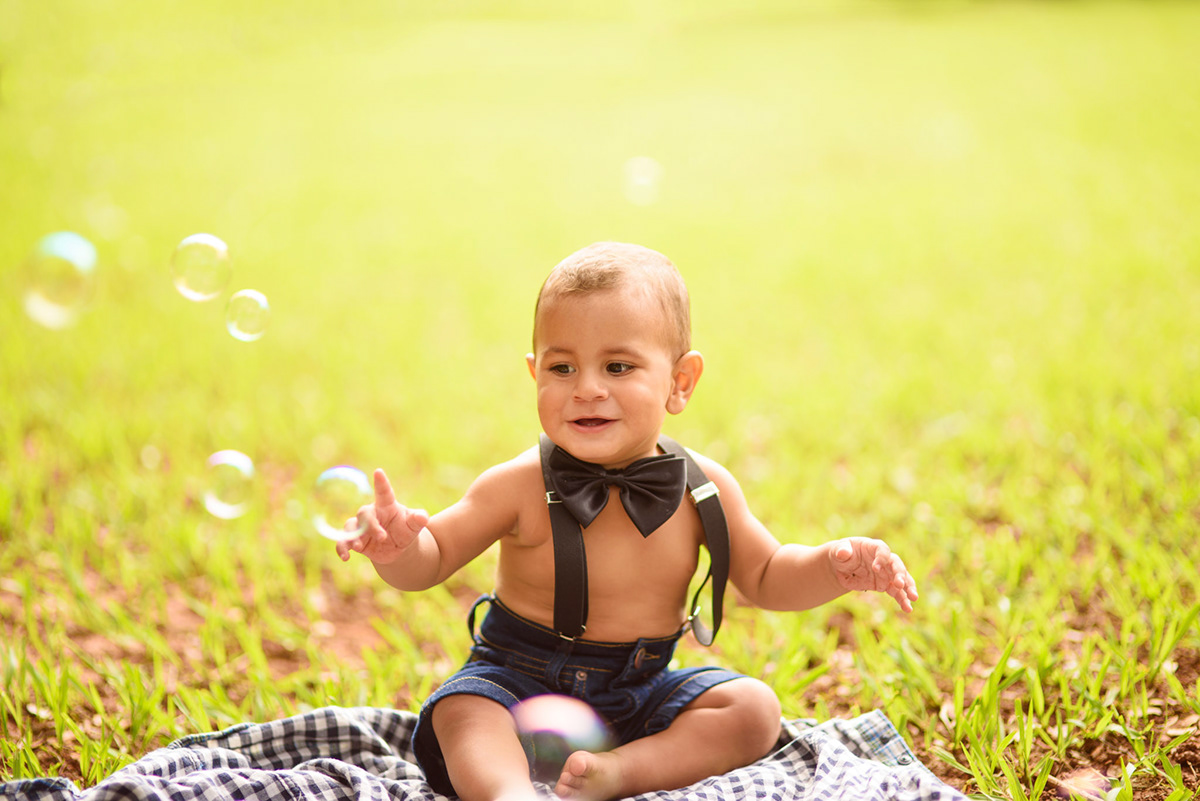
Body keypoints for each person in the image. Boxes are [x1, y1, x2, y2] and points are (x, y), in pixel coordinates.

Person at [336, 241, 920, 801]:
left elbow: (767, 574)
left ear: (680, 382)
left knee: (753, 709)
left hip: (640, 692)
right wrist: (398, 550)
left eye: (617, 366)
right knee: (463, 711)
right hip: (517, 679)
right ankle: (510, 792)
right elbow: (432, 556)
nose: (587, 389)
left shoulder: (705, 489)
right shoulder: (517, 484)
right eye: (562, 368)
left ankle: (620, 773)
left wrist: (832, 566)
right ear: (534, 372)